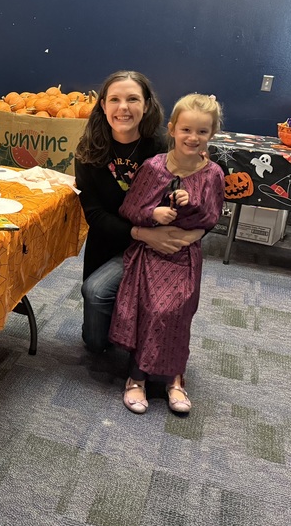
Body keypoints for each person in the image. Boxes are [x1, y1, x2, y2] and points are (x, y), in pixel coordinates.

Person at [75, 71, 205, 362]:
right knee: (95, 343)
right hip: (112, 243)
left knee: (112, 300)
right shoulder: (88, 151)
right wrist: (141, 232)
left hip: (156, 248)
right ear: (103, 106)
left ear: (146, 105)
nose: (123, 107)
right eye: (115, 100)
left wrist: (185, 236)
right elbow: (94, 215)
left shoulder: (164, 148)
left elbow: (199, 202)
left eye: (133, 99)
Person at [109, 93, 226, 415]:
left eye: (202, 132)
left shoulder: (213, 173)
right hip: (148, 254)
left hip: (184, 257)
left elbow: (213, 216)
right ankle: (137, 378)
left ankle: (175, 379)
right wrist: (154, 213)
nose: (193, 138)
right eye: (186, 130)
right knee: (151, 310)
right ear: (172, 129)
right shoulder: (153, 168)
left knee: (177, 313)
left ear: (211, 135)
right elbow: (130, 208)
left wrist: (195, 206)